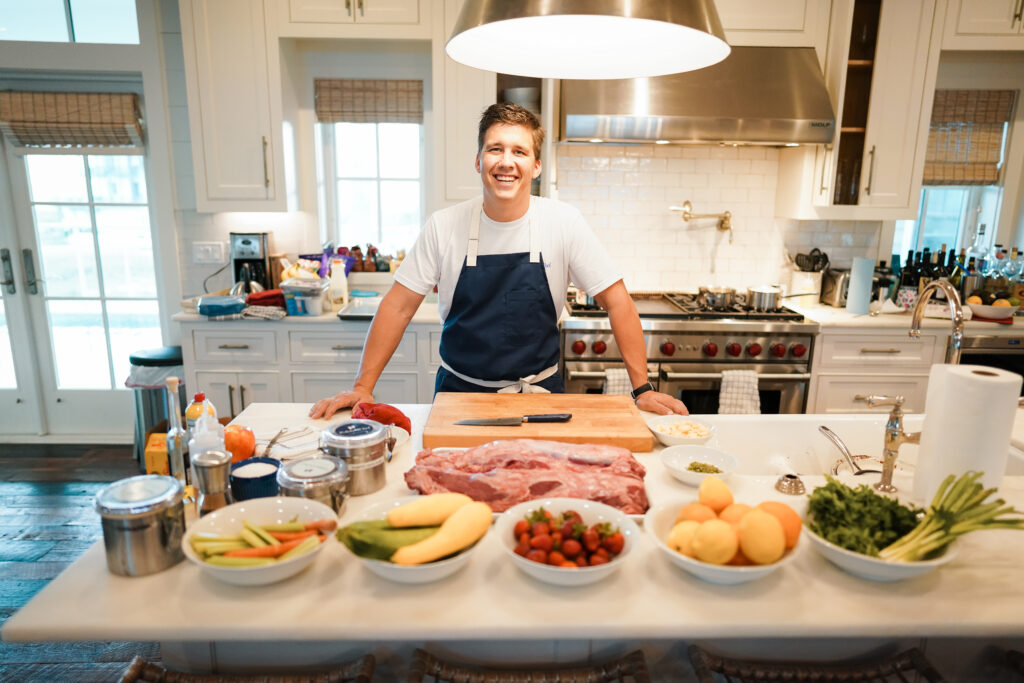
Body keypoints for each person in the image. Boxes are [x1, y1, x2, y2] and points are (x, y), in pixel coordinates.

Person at [310, 103, 687, 419]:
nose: (507, 162)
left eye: (519, 151)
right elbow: (397, 307)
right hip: (459, 402)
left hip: (540, 400)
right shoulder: (444, 226)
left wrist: (643, 389)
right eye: (496, 149)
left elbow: (617, 300)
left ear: (536, 166)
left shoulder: (563, 222)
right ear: (478, 161)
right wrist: (363, 386)